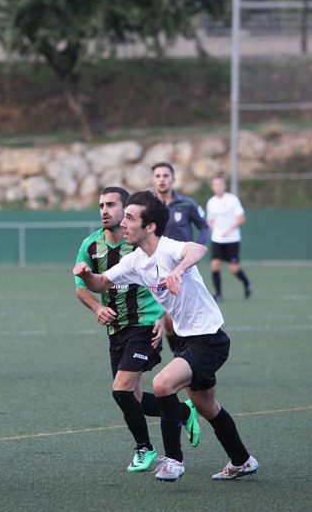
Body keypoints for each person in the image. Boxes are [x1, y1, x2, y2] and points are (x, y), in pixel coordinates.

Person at [74, 191, 258, 483]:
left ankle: (173, 460)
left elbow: (198, 249)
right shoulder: (135, 261)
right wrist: (85, 275)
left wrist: (180, 271)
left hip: (209, 338)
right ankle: (242, 460)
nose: (124, 223)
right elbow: (101, 282)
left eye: (130, 218)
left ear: (150, 227)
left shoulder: (169, 248)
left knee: (162, 383)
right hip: (186, 340)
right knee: (207, 407)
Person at [74, 187, 200, 473]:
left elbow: (176, 282)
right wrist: (97, 307)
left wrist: (164, 316)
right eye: (101, 205)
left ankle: (145, 449)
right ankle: (183, 410)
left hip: (145, 327)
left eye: (111, 205)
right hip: (116, 330)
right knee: (136, 400)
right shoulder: (91, 246)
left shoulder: (143, 243)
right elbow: (84, 288)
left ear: (127, 210)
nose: (104, 210)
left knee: (120, 390)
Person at [206, 176, 251, 301]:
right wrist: (208, 229)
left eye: (220, 184)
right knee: (215, 265)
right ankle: (219, 294)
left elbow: (241, 218)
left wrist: (229, 229)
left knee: (233, 268)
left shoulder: (232, 200)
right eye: (216, 185)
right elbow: (210, 221)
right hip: (217, 239)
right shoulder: (211, 202)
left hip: (232, 239)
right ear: (212, 187)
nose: (218, 187)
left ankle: (247, 283)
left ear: (224, 186)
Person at [151, 162, 210, 244]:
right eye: (157, 176)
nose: (161, 179)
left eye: (166, 176)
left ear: (173, 180)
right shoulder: (147, 205)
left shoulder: (187, 204)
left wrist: (199, 246)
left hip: (183, 256)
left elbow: (204, 227)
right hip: (156, 256)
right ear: (153, 180)